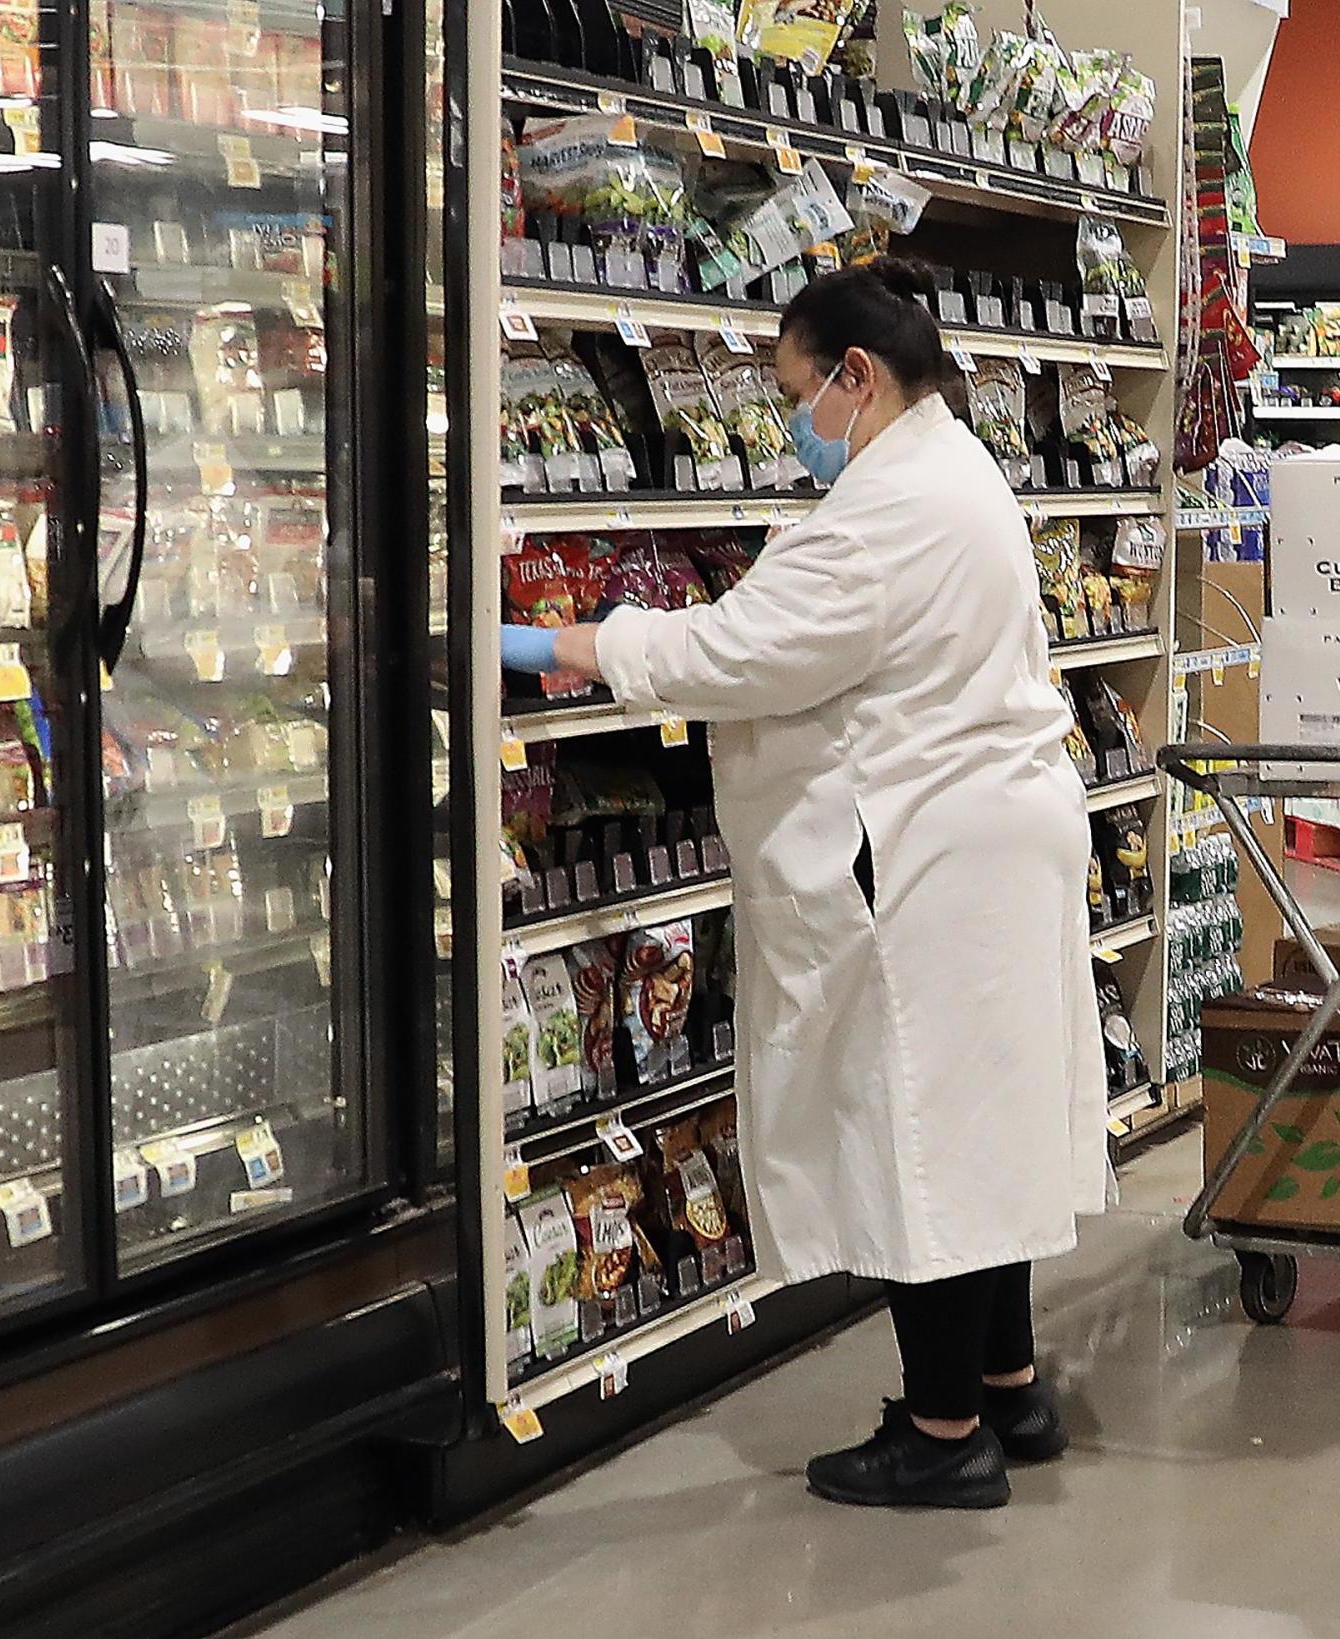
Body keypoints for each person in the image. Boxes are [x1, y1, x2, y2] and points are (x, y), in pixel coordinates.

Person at [499, 257, 1107, 1511]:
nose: (788, 423)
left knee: (915, 1140)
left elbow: (740, 650)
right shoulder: (954, 467)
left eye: (792, 393)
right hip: (994, 840)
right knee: (979, 1133)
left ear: (855, 378)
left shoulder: (891, 511)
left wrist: (561, 641)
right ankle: (1006, 1387)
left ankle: (944, 1437)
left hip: (927, 857)